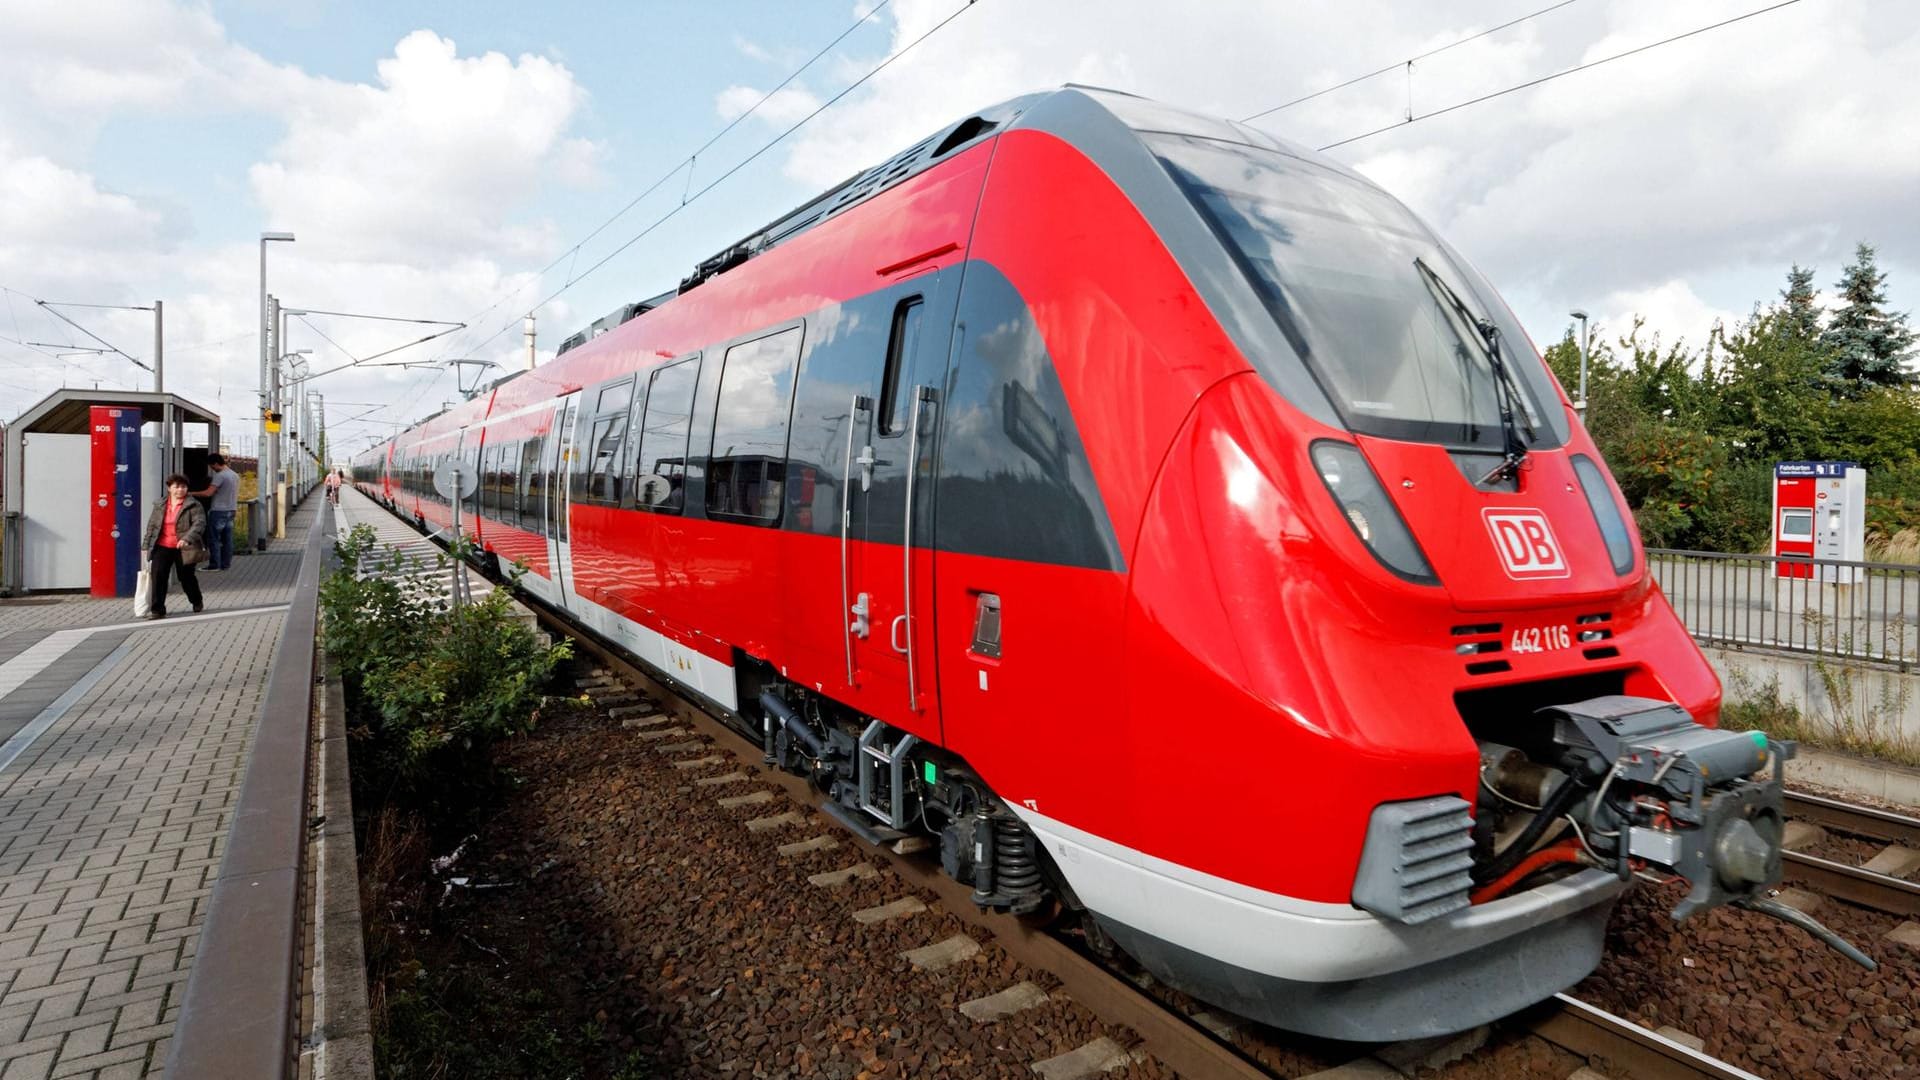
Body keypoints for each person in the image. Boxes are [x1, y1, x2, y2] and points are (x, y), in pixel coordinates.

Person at [142, 474, 207, 620]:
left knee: (186, 577)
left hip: (184, 547)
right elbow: (152, 525)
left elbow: (199, 523)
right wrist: (146, 545)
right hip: (162, 545)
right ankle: (158, 610)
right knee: (158, 577)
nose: (180, 490)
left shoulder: (194, 505)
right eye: (176, 487)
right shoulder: (160, 505)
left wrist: (187, 538)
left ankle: (196, 600)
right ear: (169, 488)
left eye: (183, 487)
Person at [192, 453, 239, 571]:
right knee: (227, 539)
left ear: (216, 464)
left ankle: (214, 565)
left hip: (218, 511)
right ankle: (225, 564)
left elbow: (208, 493)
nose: (211, 469)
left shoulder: (220, 476)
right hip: (231, 510)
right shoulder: (234, 475)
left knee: (214, 539)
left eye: (211, 466)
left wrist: (190, 493)